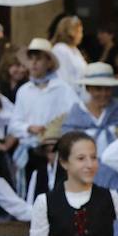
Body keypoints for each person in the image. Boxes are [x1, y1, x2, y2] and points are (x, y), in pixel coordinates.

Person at [62, 63, 118, 202]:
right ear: (88, 88)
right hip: (86, 174)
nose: (103, 94)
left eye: (107, 89)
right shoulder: (76, 113)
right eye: (98, 89)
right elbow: (67, 145)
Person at [8, 38, 80, 180]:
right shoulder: (24, 91)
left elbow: (76, 117)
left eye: (39, 59)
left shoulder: (62, 88)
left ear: (49, 62)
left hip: (54, 153)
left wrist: (56, 134)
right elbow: (13, 125)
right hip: (30, 152)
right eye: (31, 59)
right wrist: (29, 128)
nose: (34, 63)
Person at [51, 15, 88, 91]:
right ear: (71, 33)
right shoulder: (60, 49)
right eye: (79, 32)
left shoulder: (74, 49)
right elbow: (63, 77)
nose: (81, 35)